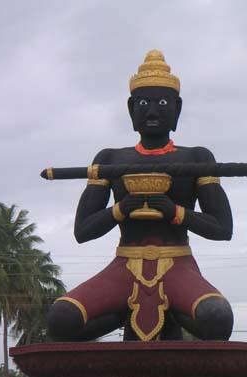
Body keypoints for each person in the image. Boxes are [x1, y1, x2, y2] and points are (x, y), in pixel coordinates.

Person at [48, 50, 234, 342]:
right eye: (143, 103)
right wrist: (120, 209)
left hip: (178, 266)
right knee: (61, 319)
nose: (152, 111)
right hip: (123, 266)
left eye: (162, 103)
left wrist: (174, 211)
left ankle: (173, 325)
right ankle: (118, 324)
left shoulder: (196, 158)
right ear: (130, 108)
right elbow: (82, 232)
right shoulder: (109, 158)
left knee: (218, 318)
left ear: (178, 108)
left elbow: (223, 229)